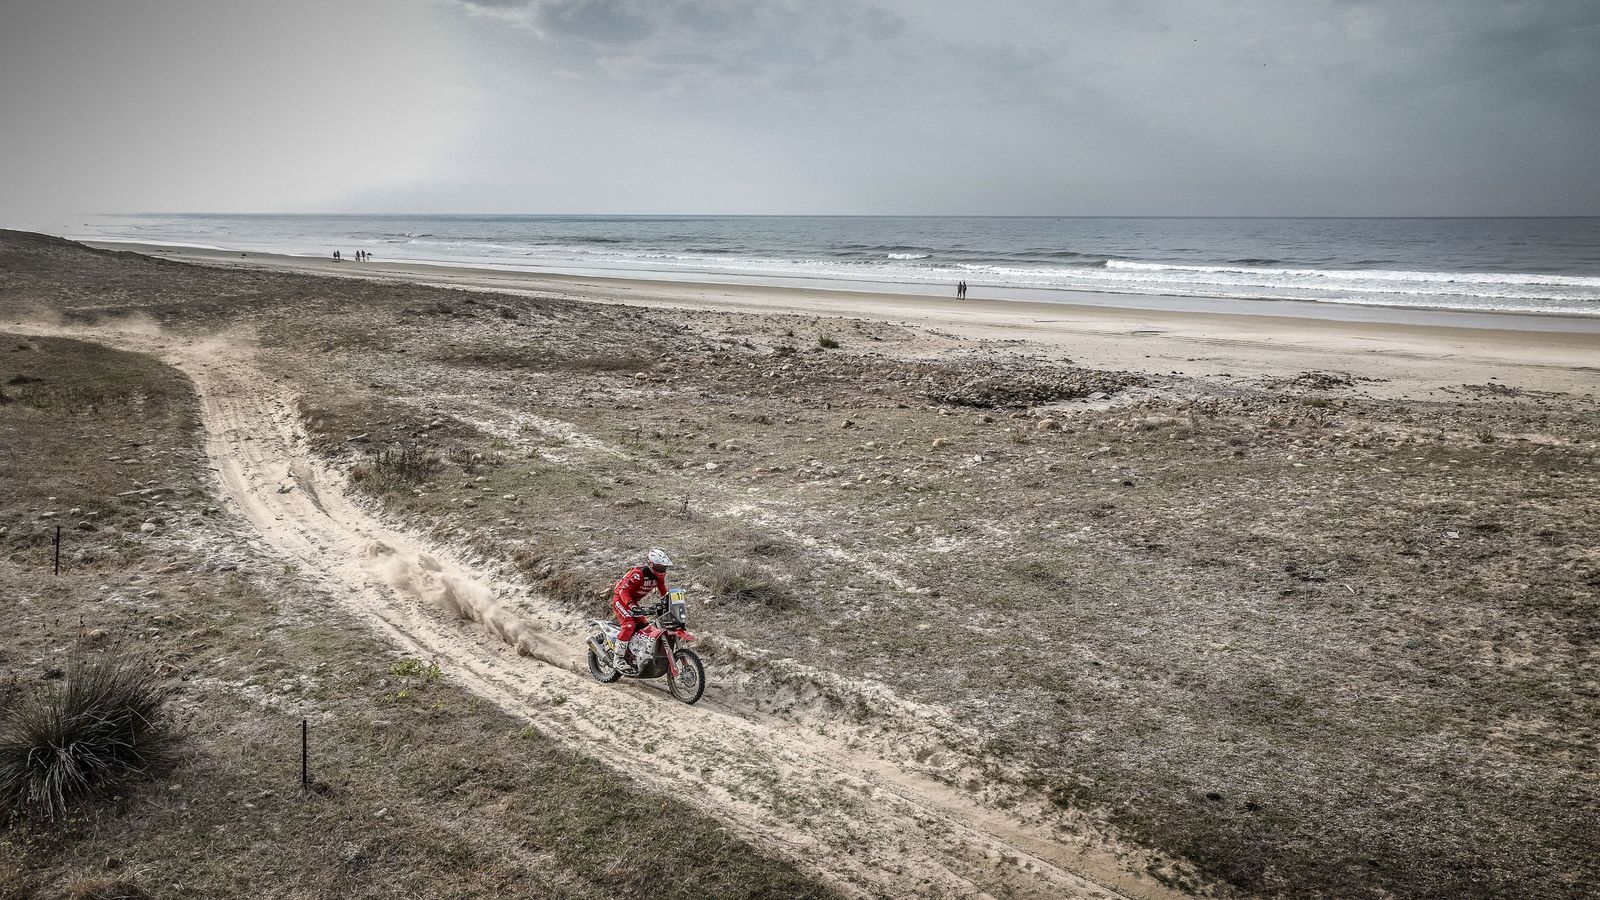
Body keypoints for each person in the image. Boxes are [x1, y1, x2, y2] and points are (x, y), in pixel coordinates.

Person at [610, 548, 672, 672]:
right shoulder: (639, 573)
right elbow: (623, 590)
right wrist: (631, 605)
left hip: (633, 602)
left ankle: (633, 654)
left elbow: (663, 592)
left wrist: (671, 603)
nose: (662, 570)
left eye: (664, 567)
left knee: (645, 627)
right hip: (621, 600)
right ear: (651, 565)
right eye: (660, 567)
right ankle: (618, 659)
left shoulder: (659, 578)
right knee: (628, 625)